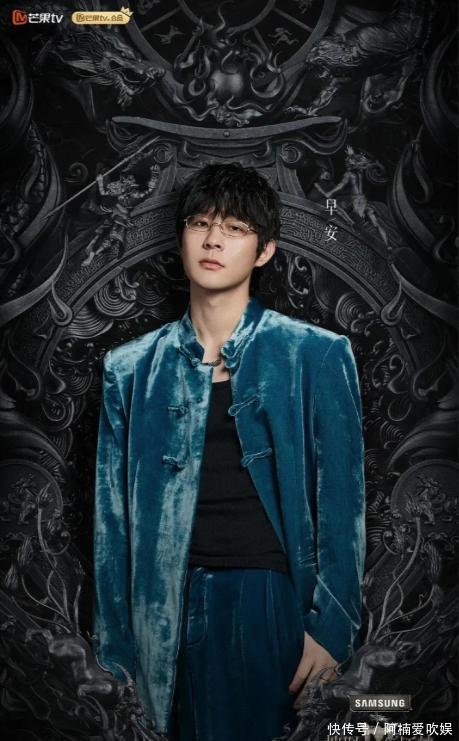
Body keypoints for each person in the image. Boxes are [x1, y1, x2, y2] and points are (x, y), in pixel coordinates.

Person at [92, 163, 366, 741]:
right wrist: (115, 654)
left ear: (264, 251)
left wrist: (332, 629)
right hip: (159, 609)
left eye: (235, 228)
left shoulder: (315, 354)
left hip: (263, 601)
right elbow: (109, 525)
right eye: (200, 223)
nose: (213, 240)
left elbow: (343, 505)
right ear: (181, 238)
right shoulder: (129, 369)